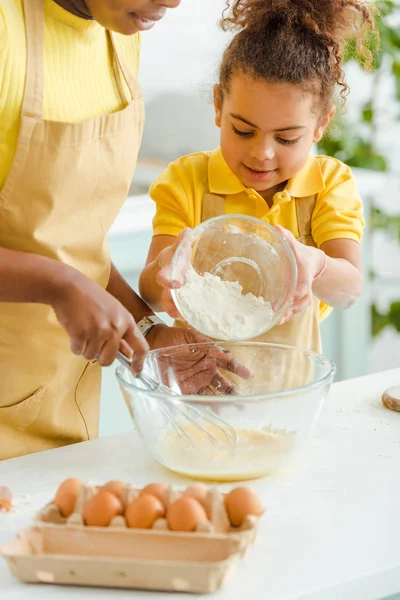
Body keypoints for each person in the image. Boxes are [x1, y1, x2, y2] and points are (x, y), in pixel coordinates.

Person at [0, 0, 251, 461]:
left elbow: (70, 239)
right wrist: (58, 285)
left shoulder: (120, 34)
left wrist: (148, 330)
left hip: (62, 406)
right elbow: (63, 271)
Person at [139, 0, 377, 374]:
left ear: (320, 125)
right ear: (218, 104)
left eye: (286, 139)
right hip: (200, 389)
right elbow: (150, 296)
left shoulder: (329, 185)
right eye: (243, 130)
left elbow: (349, 289)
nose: (262, 154)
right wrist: (163, 273)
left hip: (287, 390)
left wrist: (315, 265)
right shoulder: (187, 180)